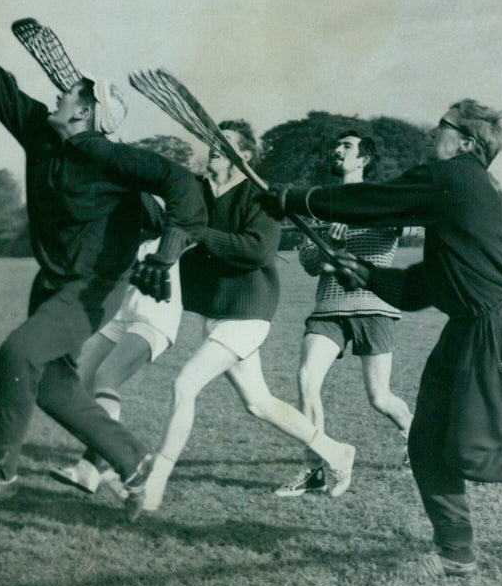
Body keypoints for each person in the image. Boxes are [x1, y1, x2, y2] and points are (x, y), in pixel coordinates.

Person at [260, 99, 502, 579]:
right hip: (467, 329)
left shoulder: (452, 176)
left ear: (466, 142)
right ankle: (456, 553)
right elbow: (418, 288)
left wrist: (295, 200)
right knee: (426, 444)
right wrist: (364, 272)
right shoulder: (464, 199)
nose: (432, 133)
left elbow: (372, 201)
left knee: (477, 455)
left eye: (442, 127)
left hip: (494, 330)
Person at [0, 0, 206, 513]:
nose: (59, 95)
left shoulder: (110, 157)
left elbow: (184, 187)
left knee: (17, 352)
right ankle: (134, 462)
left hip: (94, 288)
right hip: (53, 283)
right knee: (52, 385)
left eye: (69, 94)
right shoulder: (41, 132)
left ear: (84, 113)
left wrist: (168, 251)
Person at [139, 120, 356, 516]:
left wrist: (199, 231)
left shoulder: (260, 195)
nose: (213, 149)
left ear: (246, 155)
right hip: (216, 311)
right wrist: (133, 188)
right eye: (211, 144)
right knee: (258, 403)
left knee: (185, 384)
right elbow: (162, 218)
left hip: (249, 311)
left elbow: (256, 250)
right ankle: (336, 451)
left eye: (224, 145)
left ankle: (155, 484)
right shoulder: (200, 189)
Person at [274, 131, 412, 497]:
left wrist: (382, 221)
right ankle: (315, 468)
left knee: (379, 397)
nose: (337, 151)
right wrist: (330, 245)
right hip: (329, 307)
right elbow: (307, 262)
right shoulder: (318, 203)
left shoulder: (381, 198)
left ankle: (414, 435)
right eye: (336, 147)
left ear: (363, 160)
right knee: (306, 379)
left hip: (374, 304)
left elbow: (409, 226)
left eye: (347, 147)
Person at [49, 226, 184, 500]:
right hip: (121, 311)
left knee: (107, 377)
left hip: (154, 313)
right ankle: (102, 464)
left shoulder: (166, 210)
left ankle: (109, 461)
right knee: (80, 380)